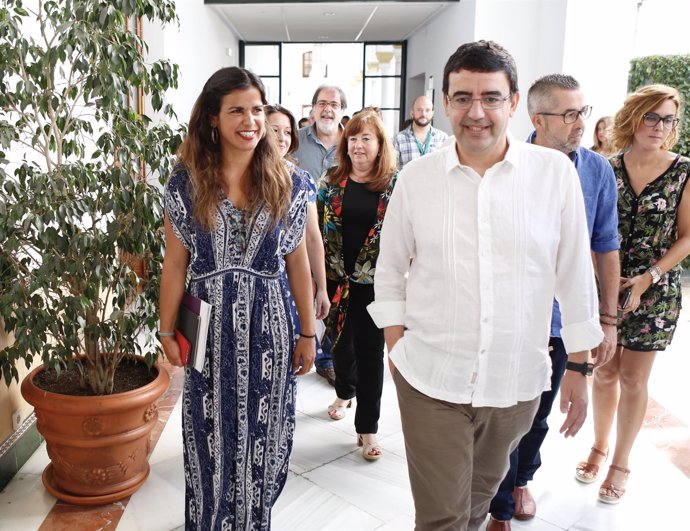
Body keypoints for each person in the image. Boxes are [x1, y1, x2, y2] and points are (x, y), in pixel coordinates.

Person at [368, 40, 603, 531]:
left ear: (514, 103)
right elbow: (389, 269)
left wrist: (579, 365)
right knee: (442, 516)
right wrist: (396, 344)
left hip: (514, 385)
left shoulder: (553, 175)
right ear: (446, 102)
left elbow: (575, 272)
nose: (477, 112)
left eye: (491, 98)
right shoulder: (416, 179)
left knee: (476, 506)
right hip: (432, 378)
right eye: (462, 98)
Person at [158, 67, 316, 530]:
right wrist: (166, 329)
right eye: (237, 111)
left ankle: (254, 520)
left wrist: (309, 331)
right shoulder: (185, 185)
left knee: (267, 438)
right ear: (212, 118)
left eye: (257, 109)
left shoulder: (289, 181)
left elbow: (299, 264)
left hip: (272, 327)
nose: (250, 120)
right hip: (207, 327)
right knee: (208, 437)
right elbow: (174, 265)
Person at [487, 74, 620, 531]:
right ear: (536, 118)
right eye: (568, 114)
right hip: (512, 314)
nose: (580, 122)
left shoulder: (598, 171)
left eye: (582, 111)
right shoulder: (505, 161)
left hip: (562, 319)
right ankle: (497, 503)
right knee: (503, 410)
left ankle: (520, 482)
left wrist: (608, 321)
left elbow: (606, 245)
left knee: (539, 414)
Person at [575, 84, 690, 504]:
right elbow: (588, 227)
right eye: (652, 117)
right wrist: (602, 274)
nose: (660, 127)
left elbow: (687, 236)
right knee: (604, 371)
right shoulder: (606, 167)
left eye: (668, 119)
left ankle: (621, 462)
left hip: (653, 291)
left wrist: (648, 277)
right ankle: (599, 446)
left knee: (634, 378)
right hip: (604, 286)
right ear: (634, 117)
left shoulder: (683, 171)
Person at [317, 109, 398, 461]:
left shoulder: (394, 184)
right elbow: (313, 232)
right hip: (335, 280)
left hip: (374, 284)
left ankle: (368, 427)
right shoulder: (331, 180)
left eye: (367, 138)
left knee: (369, 354)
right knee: (339, 344)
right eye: (352, 138)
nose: (358, 145)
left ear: (380, 145)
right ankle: (345, 392)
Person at [294, 84, 348, 386]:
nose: (328, 108)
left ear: (341, 110)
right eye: (322, 103)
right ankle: (298, 343)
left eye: (334, 104)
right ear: (312, 108)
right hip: (300, 234)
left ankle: (327, 359)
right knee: (302, 289)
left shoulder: (350, 142)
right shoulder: (296, 141)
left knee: (334, 297)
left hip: (339, 235)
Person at [265, 104, 330, 323]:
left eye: (287, 132)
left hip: (290, 282)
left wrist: (322, 287)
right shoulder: (241, 177)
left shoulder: (301, 180)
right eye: (274, 130)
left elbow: (312, 237)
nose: (282, 138)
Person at [392, 95, 448, 168]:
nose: (423, 114)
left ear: (432, 114)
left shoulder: (443, 139)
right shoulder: (398, 140)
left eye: (427, 110)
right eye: (419, 110)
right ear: (412, 113)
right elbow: (393, 170)